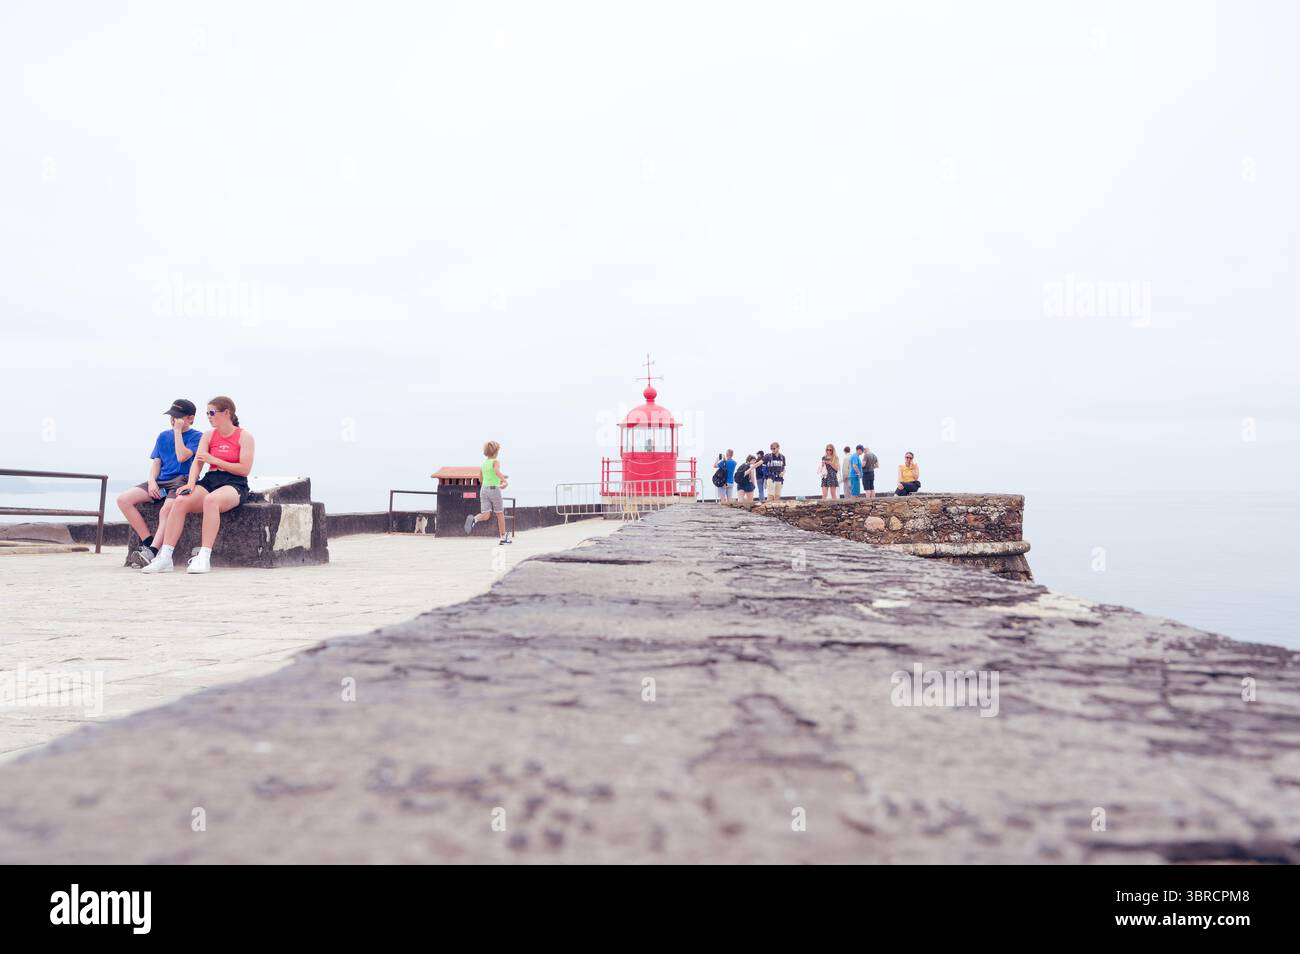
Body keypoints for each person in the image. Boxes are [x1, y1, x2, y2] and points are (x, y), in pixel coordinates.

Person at [142, 396, 255, 574]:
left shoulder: (245, 436)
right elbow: (198, 463)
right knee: (180, 501)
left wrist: (214, 459)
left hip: (234, 483)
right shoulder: (208, 435)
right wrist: (191, 483)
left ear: (227, 413)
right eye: (207, 413)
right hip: (211, 479)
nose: (209, 416)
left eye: (212, 413)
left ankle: (204, 556)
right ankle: (165, 557)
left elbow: (244, 469)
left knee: (211, 501)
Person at [118, 399, 203, 568]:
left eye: (178, 417)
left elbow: (182, 457)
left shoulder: (198, 437)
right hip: (161, 480)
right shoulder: (163, 436)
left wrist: (178, 431)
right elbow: (157, 462)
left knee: (166, 510)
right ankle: (148, 542)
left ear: (190, 418)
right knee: (123, 500)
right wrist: (151, 483)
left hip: (182, 479)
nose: (173, 420)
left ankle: (153, 551)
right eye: (171, 416)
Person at [465, 441, 510, 543]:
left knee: (485, 515)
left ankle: (474, 519)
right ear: (496, 452)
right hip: (494, 489)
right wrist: (504, 481)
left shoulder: (484, 464)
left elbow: (481, 478)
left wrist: (500, 477)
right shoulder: (496, 462)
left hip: (484, 489)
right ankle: (503, 537)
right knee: (500, 513)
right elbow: (496, 471)